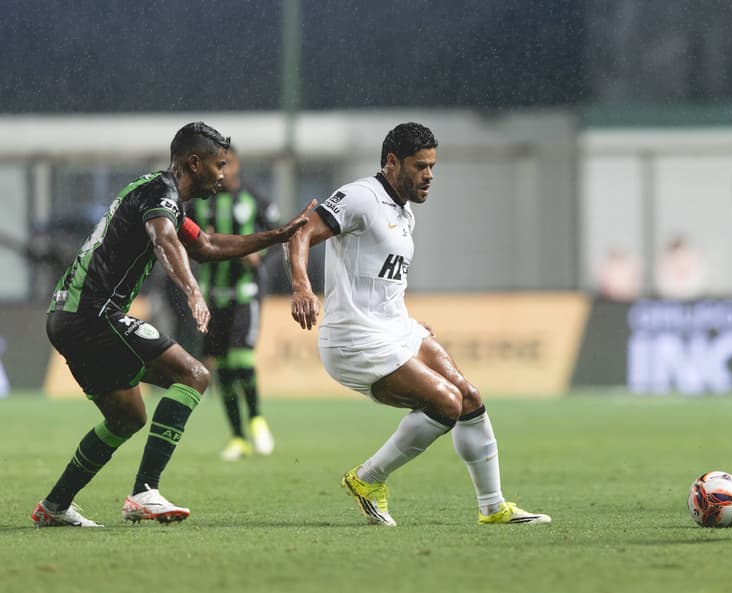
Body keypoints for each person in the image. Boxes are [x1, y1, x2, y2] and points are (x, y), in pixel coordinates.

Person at [32, 122, 311, 527]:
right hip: (92, 315)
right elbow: (164, 239)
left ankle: (55, 506)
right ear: (193, 163)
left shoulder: (161, 197)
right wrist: (193, 292)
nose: (222, 174)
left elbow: (208, 245)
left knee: (126, 418)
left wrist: (278, 235)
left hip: (66, 318)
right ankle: (145, 491)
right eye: (218, 165)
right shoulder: (160, 195)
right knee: (193, 374)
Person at [286, 122, 551, 527]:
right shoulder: (361, 197)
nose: (429, 175)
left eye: (432, 166)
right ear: (392, 162)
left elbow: (379, 277)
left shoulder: (403, 211)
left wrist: (403, 316)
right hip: (354, 339)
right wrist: (303, 287)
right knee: (445, 403)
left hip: (394, 328)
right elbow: (301, 232)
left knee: (470, 398)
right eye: (420, 166)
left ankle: (493, 507)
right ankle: (367, 479)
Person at [187, 146, 278, 461]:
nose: (223, 169)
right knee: (222, 366)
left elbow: (277, 236)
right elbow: (185, 238)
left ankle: (256, 420)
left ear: (238, 164)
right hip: (213, 295)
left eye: (228, 163)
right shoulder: (202, 202)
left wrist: (260, 253)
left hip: (245, 293)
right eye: (218, 163)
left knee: (241, 360)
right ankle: (238, 437)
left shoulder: (255, 199)